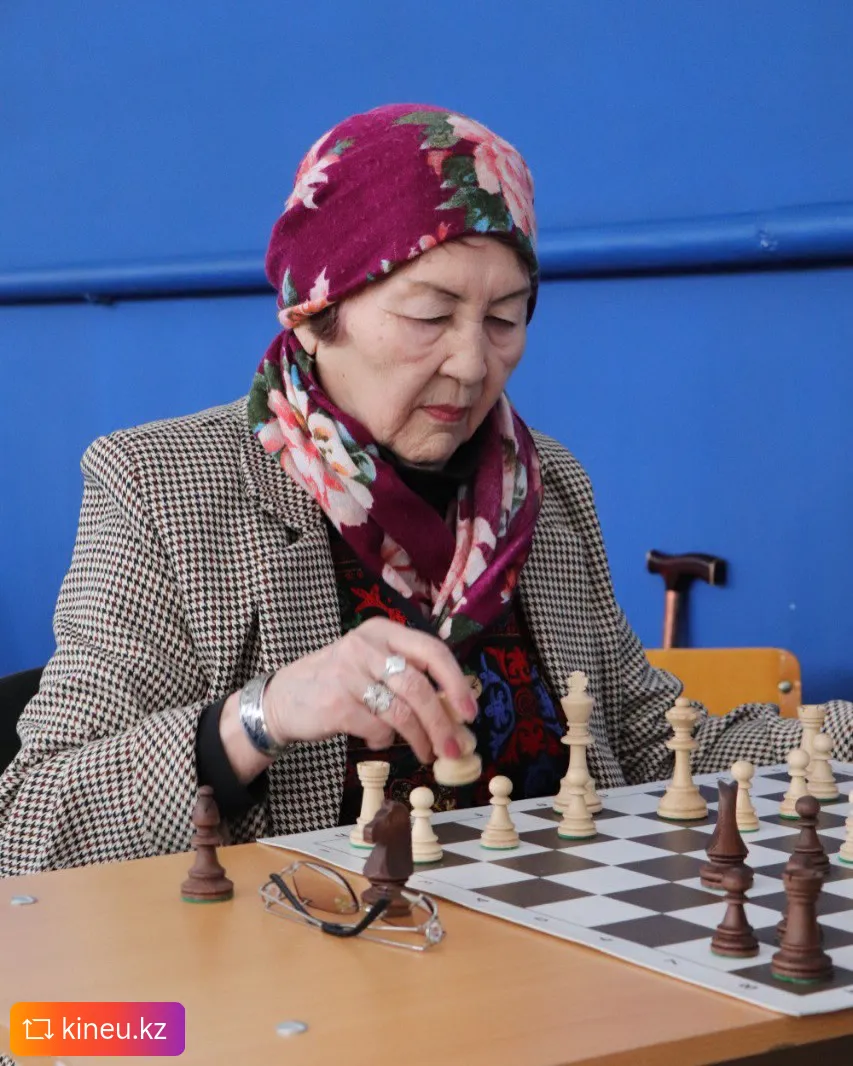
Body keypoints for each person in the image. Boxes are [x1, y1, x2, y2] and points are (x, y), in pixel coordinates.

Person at [1, 103, 851, 878]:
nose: (473, 363)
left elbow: (647, 738)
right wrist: (263, 716)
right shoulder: (162, 485)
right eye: (429, 315)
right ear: (316, 311)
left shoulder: (544, 485)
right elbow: (31, 824)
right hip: (312, 969)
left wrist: (836, 736)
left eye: (505, 318)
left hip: (560, 960)